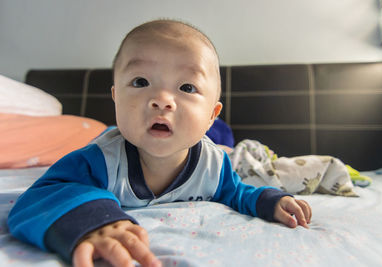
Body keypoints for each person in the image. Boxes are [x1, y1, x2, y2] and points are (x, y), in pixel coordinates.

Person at [8, 19, 312, 267]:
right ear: (116, 97)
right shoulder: (99, 159)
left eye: (187, 87)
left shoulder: (213, 165)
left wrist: (270, 200)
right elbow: (42, 195)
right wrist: (90, 220)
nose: (162, 100)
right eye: (141, 82)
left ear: (211, 116)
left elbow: (236, 193)